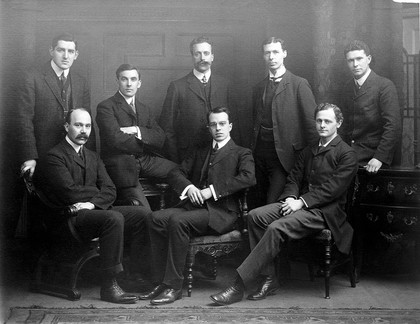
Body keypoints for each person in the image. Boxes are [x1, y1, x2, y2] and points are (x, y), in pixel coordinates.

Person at [210, 103, 358, 305]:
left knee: (276, 227)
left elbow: (333, 189)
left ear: (338, 123)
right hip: (299, 204)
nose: (322, 125)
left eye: (327, 121)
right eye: (319, 121)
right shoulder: (309, 150)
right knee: (255, 216)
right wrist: (290, 197)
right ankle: (269, 277)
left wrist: (302, 202)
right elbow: (294, 178)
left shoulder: (347, 154)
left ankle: (239, 285)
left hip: (325, 213)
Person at [34, 108, 151, 304]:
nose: (83, 131)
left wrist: (91, 203)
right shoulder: (54, 156)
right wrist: (97, 196)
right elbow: (68, 193)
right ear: (66, 127)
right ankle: (109, 285)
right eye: (78, 125)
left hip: (89, 210)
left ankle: (133, 274)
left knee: (143, 214)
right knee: (114, 218)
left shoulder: (93, 156)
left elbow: (110, 189)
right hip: (69, 217)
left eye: (87, 126)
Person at [140, 106, 256, 305]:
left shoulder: (242, 153)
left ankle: (174, 286)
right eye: (213, 124)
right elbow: (175, 173)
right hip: (194, 209)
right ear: (208, 127)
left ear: (230, 126)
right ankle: (160, 281)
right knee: (154, 218)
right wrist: (190, 188)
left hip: (222, 213)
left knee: (178, 220)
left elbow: (248, 178)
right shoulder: (200, 151)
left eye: (222, 124)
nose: (218, 128)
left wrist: (211, 191)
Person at [96, 64, 178, 208]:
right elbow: (115, 139)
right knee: (144, 212)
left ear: (139, 83)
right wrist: (145, 141)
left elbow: (160, 137)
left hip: (145, 160)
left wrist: (136, 130)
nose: (129, 84)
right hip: (122, 165)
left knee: (181, 171)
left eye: (133, 79)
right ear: (117, 81)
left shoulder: (144, 109)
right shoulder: (106, 107)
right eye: (124, 79)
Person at [251, 37, 318, 206]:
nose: (271, 57)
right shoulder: (259, 87)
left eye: (275, 52)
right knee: (256, 202)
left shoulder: (299, 84)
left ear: (284, 54)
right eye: (267, 53)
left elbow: (311, 126)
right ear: (263, 56)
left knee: (272, 204)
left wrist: (312, 160)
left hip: (285, 157)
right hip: (259, 154)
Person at [17, 33, 93, 179]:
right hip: (42, 153)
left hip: (73, 154)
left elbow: (87, 121)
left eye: (70, 51)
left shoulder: (80, 81)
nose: (66, 56)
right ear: (51, 51)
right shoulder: (32, 78)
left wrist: (90, 157)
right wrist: (29, 156)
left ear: (76, 54)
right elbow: (23, 120)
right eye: (60, 50)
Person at [159, 36, 232, 163]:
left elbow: (234, 122)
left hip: (222, 156)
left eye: (206, 53)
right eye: (197, 54)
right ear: (192, 57)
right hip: (188, 157)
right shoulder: (177, 86)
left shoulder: (225, 84)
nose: (203, 58)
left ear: (212, 57)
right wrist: (175, 160)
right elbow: (167, 128)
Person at [340, 40, 401, 173]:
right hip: (349, 157)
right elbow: (343, 126)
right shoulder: (347, 87)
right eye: (350, 60)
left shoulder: (384, 86)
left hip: (373, 159)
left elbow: (392, 126)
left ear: (368, 59)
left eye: (359, 59)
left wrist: (379, 158)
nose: (355, 64)